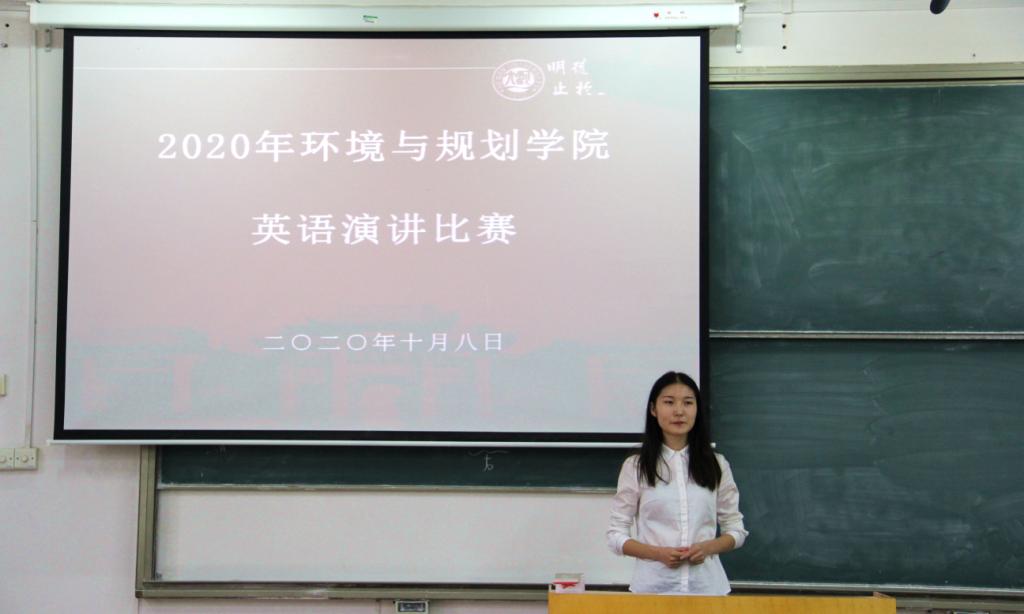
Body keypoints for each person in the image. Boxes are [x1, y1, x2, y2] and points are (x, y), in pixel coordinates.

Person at [606, 371, 748, 595]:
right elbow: (616, 535)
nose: (679, 411)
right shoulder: (636, 466)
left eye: (688, 403)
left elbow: (736, 530)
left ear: (697, 410)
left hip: (707, 590)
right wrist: (657, 554)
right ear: (653, 409)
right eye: (669, 402)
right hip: (652, 591)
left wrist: (708, 547)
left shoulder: (717, 464)